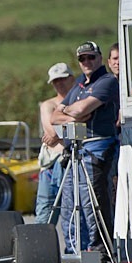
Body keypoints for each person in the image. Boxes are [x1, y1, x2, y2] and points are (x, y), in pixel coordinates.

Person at [51, 41, 120, 263]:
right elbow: (55, 116)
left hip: (97, 151)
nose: (87, 62)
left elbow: (82, 109)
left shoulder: (107, 82)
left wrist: (73, 110)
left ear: (99, 58)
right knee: (70, 211)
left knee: (94, 210)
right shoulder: (80, 83)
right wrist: (74, 112)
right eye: (82, 59)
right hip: (73, 151)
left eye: (91, 57)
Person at [34, 63, 75, 224]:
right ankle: (40, 246)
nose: (59, 84)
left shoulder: (80, 102)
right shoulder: (48, 105)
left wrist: (58, 135)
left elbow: (84, 128)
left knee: (71, 211)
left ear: (71, 78)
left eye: (62, 79)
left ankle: (73, 248)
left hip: (70, 161)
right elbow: (50, 131)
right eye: (55, 81)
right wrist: (70, 129)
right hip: (51, 163)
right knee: (45, 212)